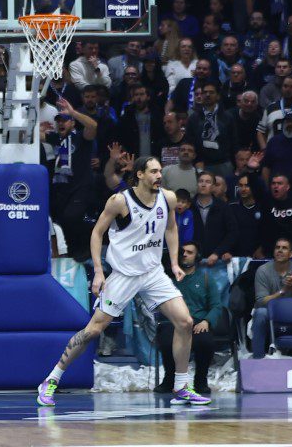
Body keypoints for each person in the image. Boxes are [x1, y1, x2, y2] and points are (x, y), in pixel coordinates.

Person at [36, 157, 210, 407]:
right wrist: (98, 270)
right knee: (93, 331)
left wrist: (173, 263)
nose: (159, 175)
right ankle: (51, 379)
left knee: (185, 322)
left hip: (152, 273)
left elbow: (171, 229)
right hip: (124, 274)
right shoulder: (120, 201)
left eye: (160, 171)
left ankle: (182, 386)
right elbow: (96, 233)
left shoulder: (168, 198)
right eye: (153, 171)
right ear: (139, 174)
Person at [152, 242, 221, 396]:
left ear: (198, 256)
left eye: (189, 252)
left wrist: (206, 321)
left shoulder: (206, 278)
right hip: (172, 321)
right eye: (182, 252)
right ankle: (169, 379)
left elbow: (217, 305)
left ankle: (200, 381)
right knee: (166, 340)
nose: (184, 255)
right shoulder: (167, 278)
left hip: (198, 322)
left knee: (206, 342)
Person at [250, 237, 292, 357]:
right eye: (277, 248)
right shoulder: (263, 270)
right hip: (269, 313)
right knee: (260, 313)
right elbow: (261, 301)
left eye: (284, 248)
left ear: (291, 254)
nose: (280, 250)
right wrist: (283, 290)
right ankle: (257, 359)